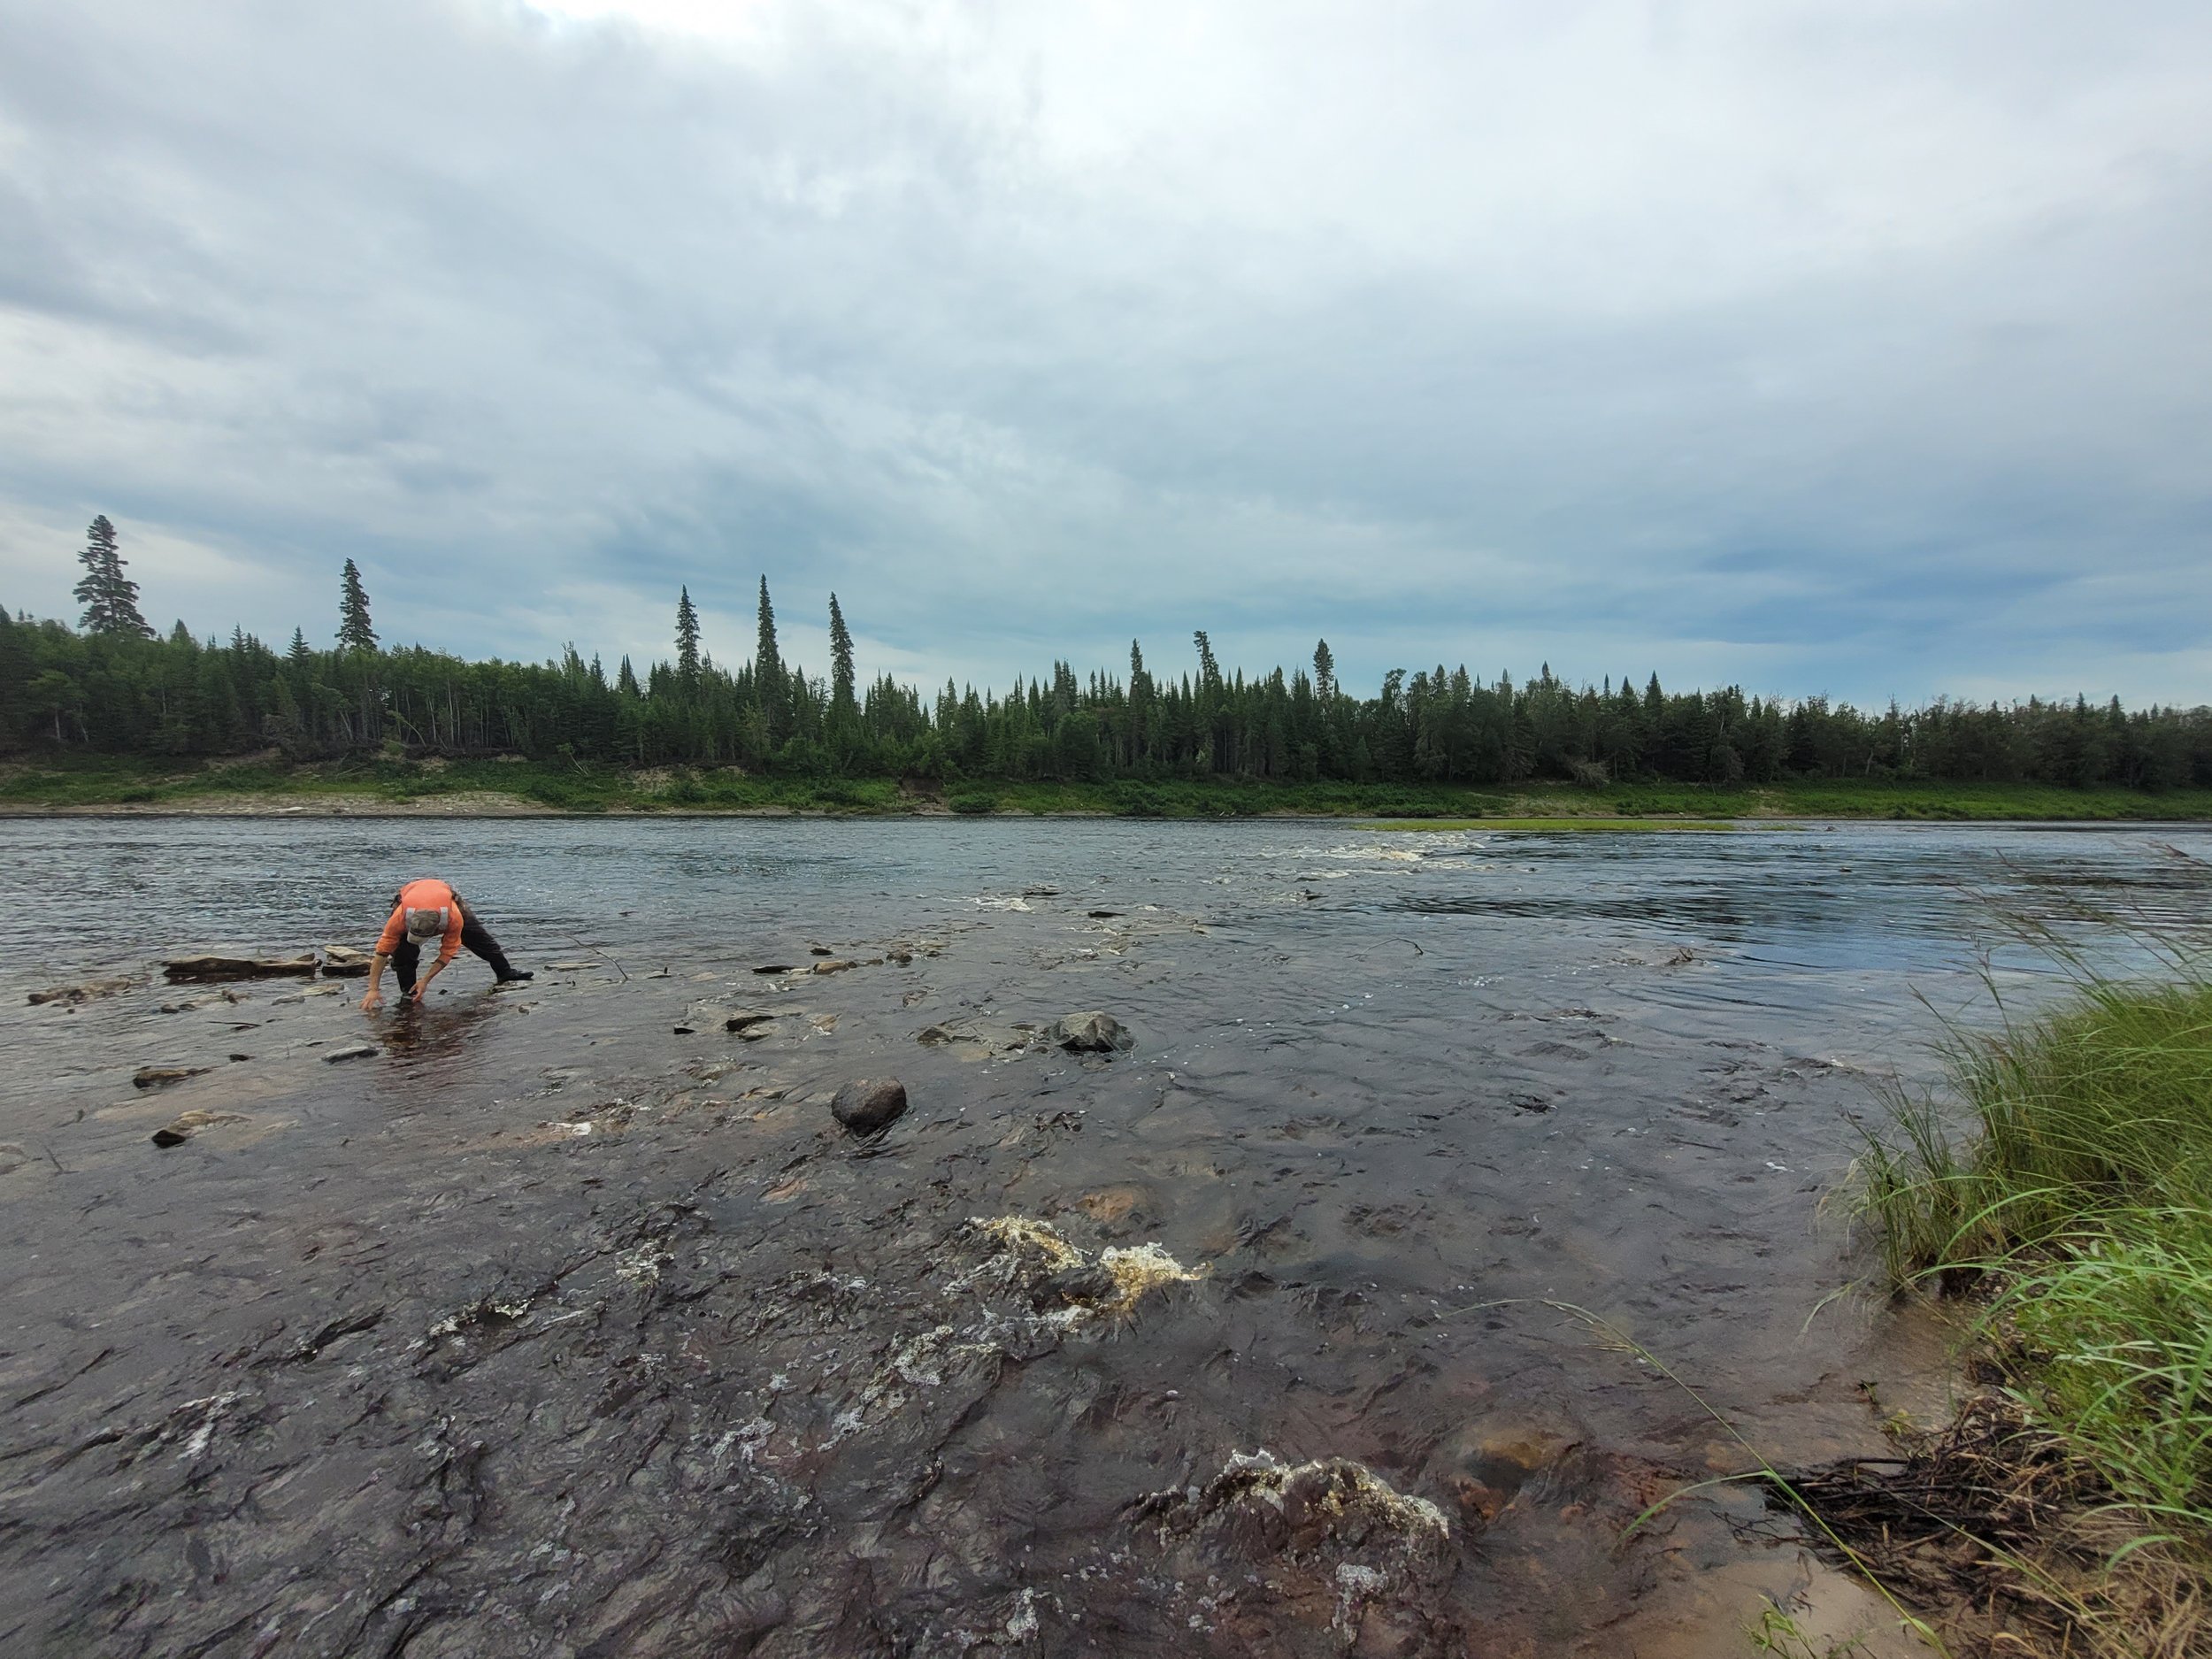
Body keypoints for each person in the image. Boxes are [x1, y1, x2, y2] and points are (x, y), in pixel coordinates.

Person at [360, 878, 533, 1009]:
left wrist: (426, 979)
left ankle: (505, 972)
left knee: (481, 941)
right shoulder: (399, 918)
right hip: (413, 895)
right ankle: (409, 992)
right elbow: (381, 954)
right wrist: (373, 989)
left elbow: (447, 952)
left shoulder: (454, 918)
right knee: (403, 954)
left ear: (437, 929)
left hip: (447, 900)